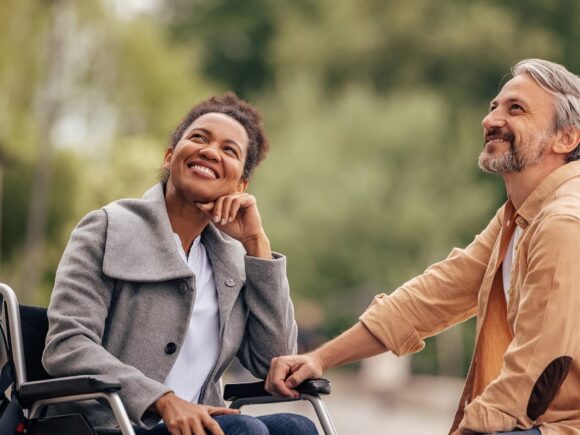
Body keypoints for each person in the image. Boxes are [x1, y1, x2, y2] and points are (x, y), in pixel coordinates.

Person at [266, 58, 580, 435]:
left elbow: (540, 366)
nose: (491, 119)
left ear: (566, 138)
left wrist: (471, 427)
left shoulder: (564, 221)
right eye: (493, 106)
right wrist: (319, 358)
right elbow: (429, 298)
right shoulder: (517, 219)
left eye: (516, 108)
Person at [43, 93, 317, 435]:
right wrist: (162, 399)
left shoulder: (232, 259)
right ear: (170, 156)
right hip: (113, 425)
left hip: (202, 424)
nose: (210, 151)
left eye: (229, 150)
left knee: (296, 427)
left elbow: (273, 362)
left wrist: (256, 244)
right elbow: (66, 345)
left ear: (241, 185)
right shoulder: (107, 228)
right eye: (199, 138)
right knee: (246, 431)